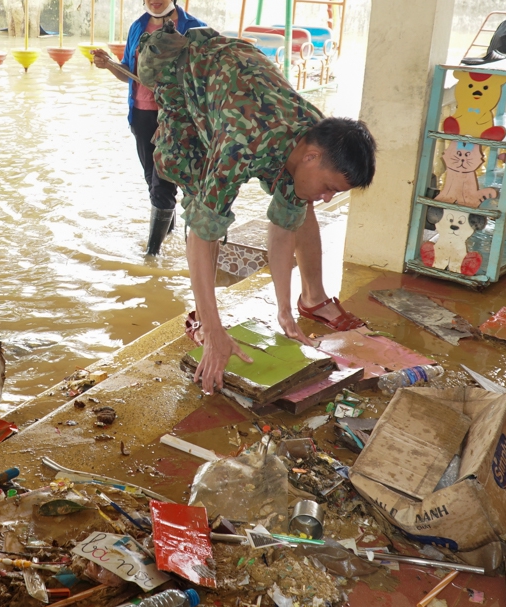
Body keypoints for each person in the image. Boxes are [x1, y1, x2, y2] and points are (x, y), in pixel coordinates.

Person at [137, 25, 377, 394]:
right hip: (188, 81)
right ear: (311, 157)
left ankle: (306, 300)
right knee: (203, 200)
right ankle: (204, 320)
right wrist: (217, 331)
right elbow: (205, 231)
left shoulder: (312, 132)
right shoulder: (240, 142)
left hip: (243, 79)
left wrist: (284, 308)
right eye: (330, 188)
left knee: (298, 204)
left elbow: (283, 228)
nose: (328, 197)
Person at [92, 0, 204, 256]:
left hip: (178, 118)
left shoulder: (194, 29)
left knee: (162, 182)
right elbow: (129, 71)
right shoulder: (138, 27)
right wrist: (109, 65)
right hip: (142, 114)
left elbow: (206, 78)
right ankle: (167, 230)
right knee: (151, 177)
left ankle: (152, 254)